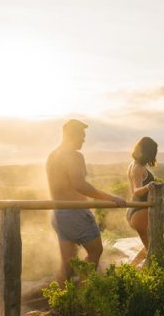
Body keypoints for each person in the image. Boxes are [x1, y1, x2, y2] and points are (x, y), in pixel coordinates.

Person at [46, 119, 126, 285]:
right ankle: (85, 292)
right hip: (76, 213)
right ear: (71, 135)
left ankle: (63, 299)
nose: (83, 139)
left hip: (58, 214)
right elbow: (80, 185)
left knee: (67, 263)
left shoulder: (53, 155)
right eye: (81, 135)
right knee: (96, 251)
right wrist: (110, 198)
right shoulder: (74, 156)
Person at [126, 137, 158, 249]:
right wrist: (148, 187)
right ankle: (136, 266)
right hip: (140, 211)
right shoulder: (138, 168)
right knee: (153, 249)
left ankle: (133, 266)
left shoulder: (133, 165)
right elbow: (136, 191)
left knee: (149, 249)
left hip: (135, 210)